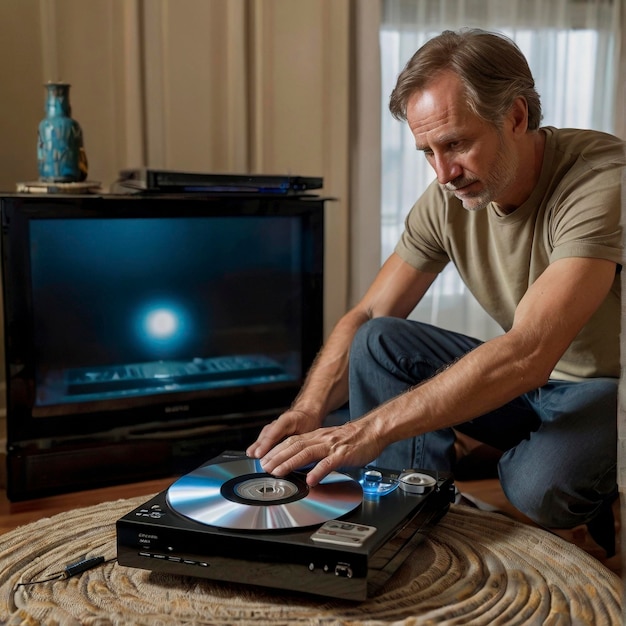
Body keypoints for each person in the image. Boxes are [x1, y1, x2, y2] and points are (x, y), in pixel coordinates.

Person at [246, 29, 624, 554]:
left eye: (456, 144)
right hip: (535, 382)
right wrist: (310, 409)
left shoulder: (602, 181)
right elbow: (370, 311)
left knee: (538, 488)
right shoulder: (449, 193)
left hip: (610, 385)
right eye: (427, 151)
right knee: (377, 339)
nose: (443, 173)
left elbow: (530, 351)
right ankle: (414, 511)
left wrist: (366, 431)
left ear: (516, 117)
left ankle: (583, 493)